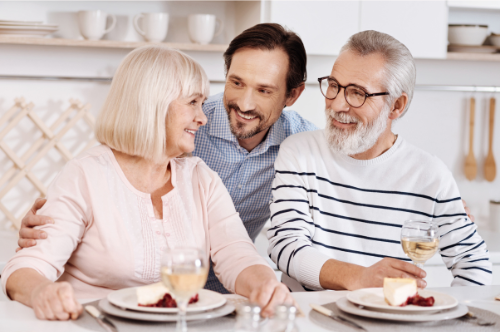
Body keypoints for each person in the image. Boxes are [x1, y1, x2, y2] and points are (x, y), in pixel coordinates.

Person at [16, 23, 475, 293]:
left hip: (220, 305)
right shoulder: (183, 135)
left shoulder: (301, 146)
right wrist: (48, 234)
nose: (242, 102)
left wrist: (438, 201)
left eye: (264, 90)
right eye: (235, 82)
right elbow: (60, 234)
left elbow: (242, 251)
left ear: (293, 95)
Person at [2, 46, 293, 321]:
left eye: (202, 104)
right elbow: (25, 270)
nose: (203, 118)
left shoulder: (199, 177)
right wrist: (42, 291)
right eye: (192, 102)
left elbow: (237, 253)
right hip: (91, 323)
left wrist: (265, 285)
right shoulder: (84, 175)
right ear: (152, 104)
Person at [267, 30, 492, 292]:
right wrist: (359, 278)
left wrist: (440, 315)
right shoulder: (300, 152)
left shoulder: (430, 175)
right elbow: (285, 246)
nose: (338, 104)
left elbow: (475, 266)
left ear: (396, 106)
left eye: (357, 93)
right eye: (334, 86)